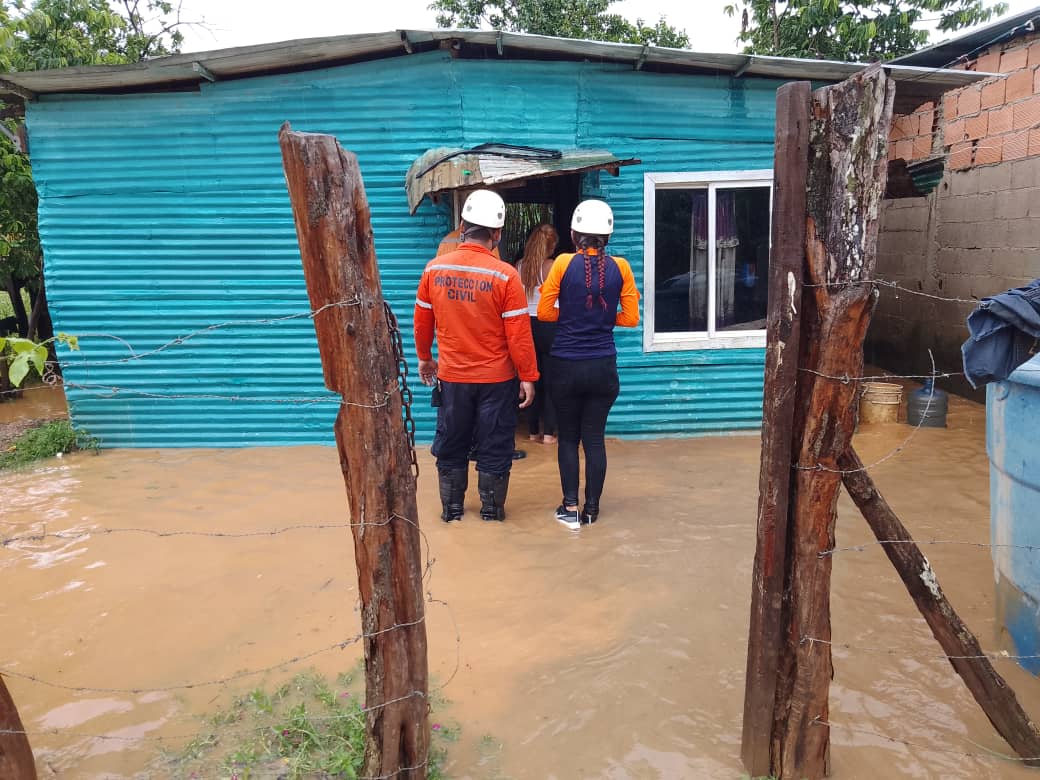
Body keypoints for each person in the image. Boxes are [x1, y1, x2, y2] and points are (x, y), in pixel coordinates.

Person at [414, 189, 538, 523]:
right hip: (496, 381)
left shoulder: (434, 270)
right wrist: (527, 376)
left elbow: (422, 321)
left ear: (462, 225)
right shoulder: (505, 276)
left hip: (452, 378)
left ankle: (452, 512)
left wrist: (425, 357)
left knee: (451, 444)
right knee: (495, 447)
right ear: (496, 233)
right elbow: (518, 334)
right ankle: (491, 513)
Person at [537, 199, 640, 530]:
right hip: (602, 368)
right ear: (607, 237)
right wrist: (602, 318)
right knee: (593, 439)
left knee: (567, 437)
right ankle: (592, 510)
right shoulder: (621, 267)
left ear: (573, 233)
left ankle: (570, 509)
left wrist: (571, 316)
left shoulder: (563, 263)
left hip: (565, 366)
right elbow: (631, 318)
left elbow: (544, 313)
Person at [515, 223, 559, 444]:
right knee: (550, 382)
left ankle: (532, 433)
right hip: (549, 326)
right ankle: (549, 435)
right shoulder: (552, 267)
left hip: (525, 326)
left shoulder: (519, 266)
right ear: (551, 247)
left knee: (531, 378)